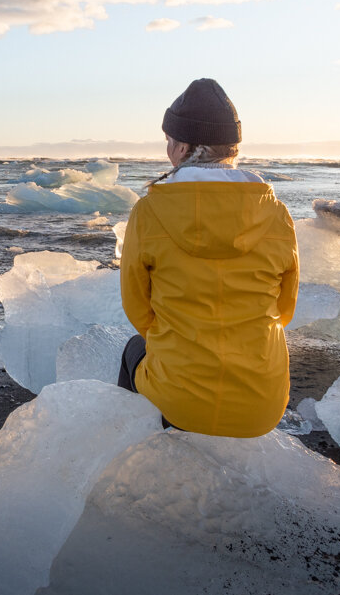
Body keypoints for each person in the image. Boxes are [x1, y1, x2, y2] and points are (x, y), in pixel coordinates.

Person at [117, 78, 298, 437]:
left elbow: (137, 307)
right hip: (262, 407)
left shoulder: (150, 211)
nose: (168, 149)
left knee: (133, 349)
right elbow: (286, 307)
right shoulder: (275, 213)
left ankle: (138, 454)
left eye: (169, 141)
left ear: (183, 147)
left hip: (180, 403)